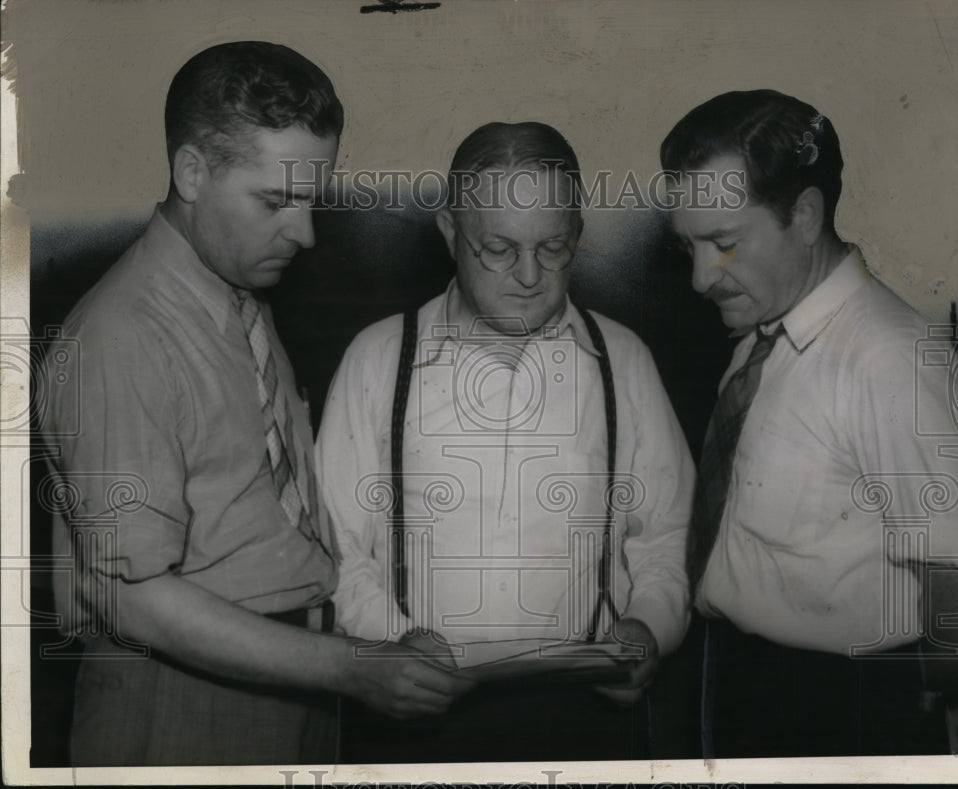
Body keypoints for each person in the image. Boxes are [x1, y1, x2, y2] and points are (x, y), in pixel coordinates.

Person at [39, 41, 470, 767]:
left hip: (292, 675)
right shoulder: (123, 336)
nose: (303, 234)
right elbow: (128, 599)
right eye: (275, 201)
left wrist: (369, 647)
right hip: (177, 704)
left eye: (311, 202)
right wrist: (350, 668)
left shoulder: (235, 290)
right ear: (192, 172)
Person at [315, 121, 695, 762]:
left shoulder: (621, 360)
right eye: (498, 248)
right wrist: (395, 643)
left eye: (553, 248)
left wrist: (646, 631)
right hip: (413, 721)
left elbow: (664, 537)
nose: (528, 275)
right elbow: (337, 547)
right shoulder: (380, 359)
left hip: (586, 722)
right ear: (449, 233)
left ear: (578, 236)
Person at [659, 89, 958, 757]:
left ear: (804, 215)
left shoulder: (889, 359)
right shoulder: (761, 329)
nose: (697, 278)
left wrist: (946, 726)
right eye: (687, 245)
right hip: (736, 680)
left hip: (837, 709)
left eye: (721, 243)